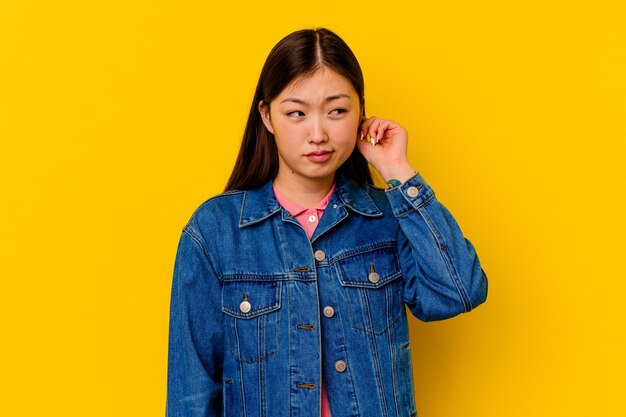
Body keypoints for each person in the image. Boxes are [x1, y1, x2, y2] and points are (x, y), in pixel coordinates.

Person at [166, 27, 488, 417]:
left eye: (337, 111)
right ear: (267, 115)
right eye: (296, 113)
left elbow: (458, 292)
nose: (317, 134)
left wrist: (397, 170)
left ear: (360, 113)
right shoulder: (215, 231)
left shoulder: (387, 217)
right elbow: (190, 395)